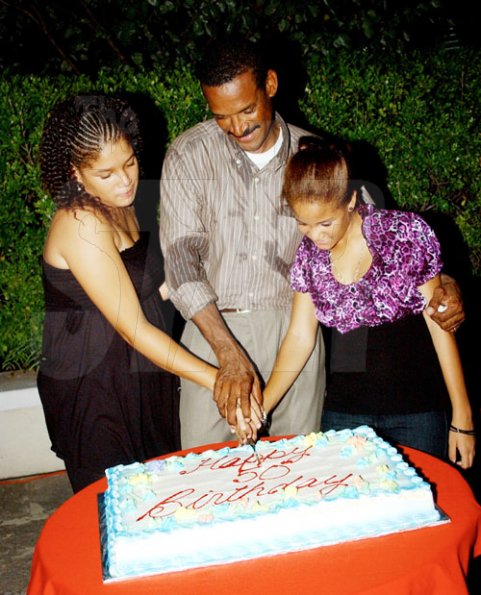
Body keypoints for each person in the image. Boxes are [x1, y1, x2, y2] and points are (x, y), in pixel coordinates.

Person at [159, 38, 465, 449]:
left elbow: (377, 238)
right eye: (222, 117)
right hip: (212, 328)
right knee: (206, 469)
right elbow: (180, 263)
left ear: (269, 84)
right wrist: (227, 352)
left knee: (299, 470)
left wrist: (444, 281)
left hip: (295, 331)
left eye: (246, 110)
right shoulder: (188, 156)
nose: (237, 127)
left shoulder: (315, 156)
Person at [38, 94, 219, 492]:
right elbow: (134, 328)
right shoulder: (81, 221)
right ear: (75, 173)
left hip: (144, 377)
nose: (125, 181)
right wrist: (217, 380)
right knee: (113, 513)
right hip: (96, 388)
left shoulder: (122, 203)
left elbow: (154, 286)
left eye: (130, 162)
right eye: (107, 173)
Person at [259, 137, 475, 468]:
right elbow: (300, 338)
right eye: (303, 223)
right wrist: (262, 408)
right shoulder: (308, 256)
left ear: (351, 200)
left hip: (416, 412)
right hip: (345, 414)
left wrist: (463, 415)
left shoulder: (403, 233)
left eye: (325, 223)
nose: (316, 235)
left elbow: (439, 323)